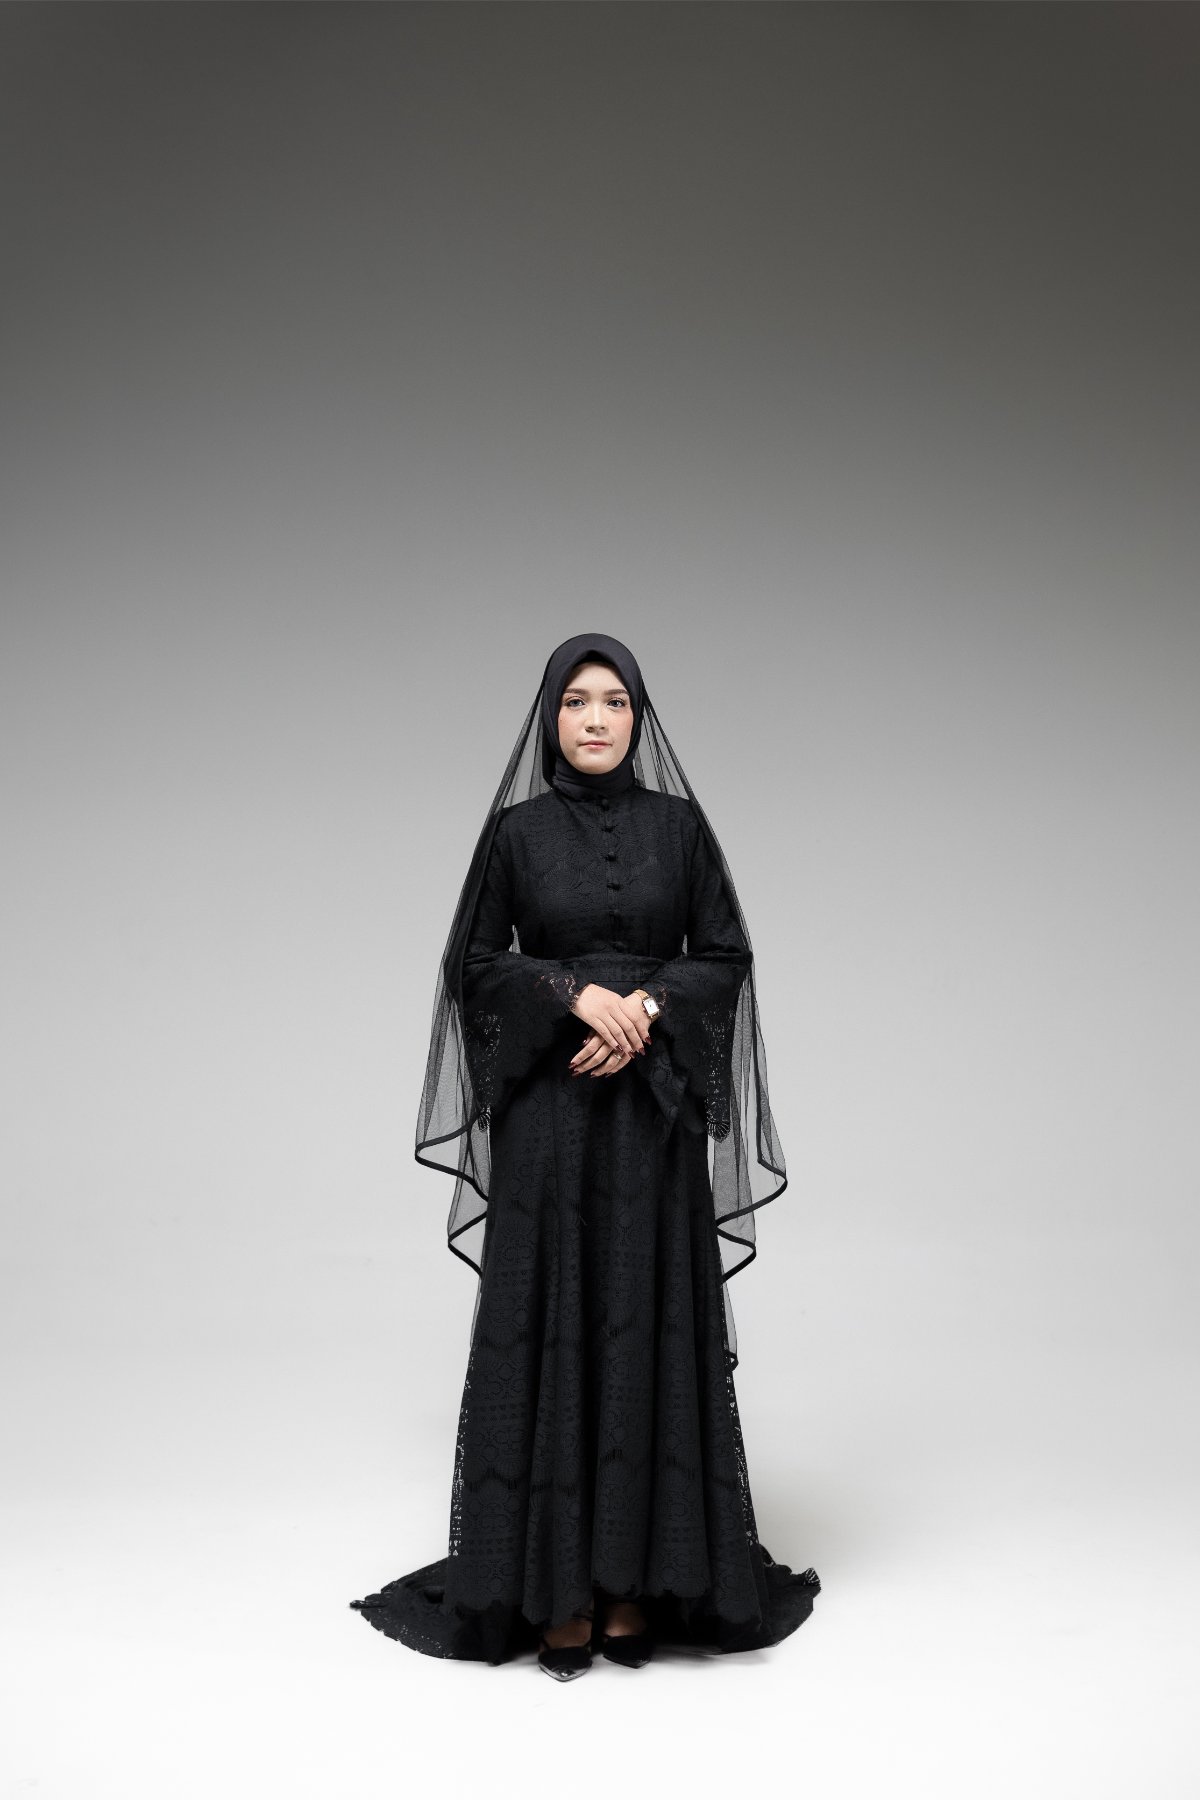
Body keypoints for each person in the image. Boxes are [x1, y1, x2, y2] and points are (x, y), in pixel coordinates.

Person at [349, 632, 820, 1677]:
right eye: (575, 701)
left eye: (614, 701)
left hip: (652, 1114)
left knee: (646, 1318)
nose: (595, 718)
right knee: (554, 1320)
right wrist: (570, 994)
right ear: (550, 718)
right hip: (550, 1118)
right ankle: (555, 1588)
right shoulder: (515, 835)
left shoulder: (681, 829)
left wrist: (645, 1008)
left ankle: (631, 1585)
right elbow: (474, 963)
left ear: (639, 719)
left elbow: (727, 954)